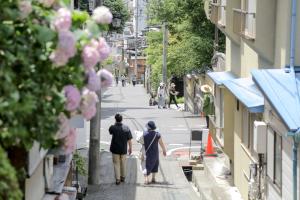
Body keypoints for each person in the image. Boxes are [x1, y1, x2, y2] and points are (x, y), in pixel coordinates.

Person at [109, 114, 133, 185]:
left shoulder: (113, 127)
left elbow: (110, 132)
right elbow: (129, 140)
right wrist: (130, 148)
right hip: (123, 149)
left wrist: (115, 124)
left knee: (116, 164)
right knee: (123, 163)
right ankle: (123, 177)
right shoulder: (126, 128)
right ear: (122, 119)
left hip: (115, 149)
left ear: (115, 119)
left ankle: (118, 179)